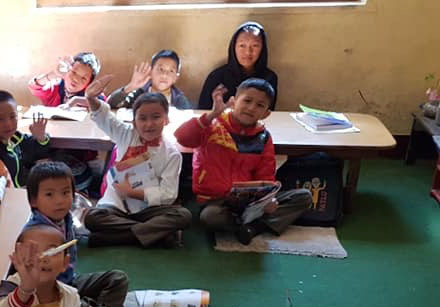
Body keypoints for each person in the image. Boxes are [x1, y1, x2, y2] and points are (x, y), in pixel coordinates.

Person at [175, 79, 311, 244]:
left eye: (260, 105)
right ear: (233, 102)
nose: (251, 108)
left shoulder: (263, 138)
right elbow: (182, 137)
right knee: (210, 217)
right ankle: (252, 225)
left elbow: (266, 175)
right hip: (216, 201)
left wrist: (267, 200)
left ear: (266, 113)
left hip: (250, 202)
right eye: (247, 101)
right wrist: (211, 115)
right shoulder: (213, 125)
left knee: (303, 197)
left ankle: (252, 227)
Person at [83, 76, 191, 248]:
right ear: (134, 122)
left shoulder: (172, 154)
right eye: (142, 118)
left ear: (166, 120)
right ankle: (154, 236)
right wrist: (91, 98)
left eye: (156, 117)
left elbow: (169, 194)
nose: (149, 124)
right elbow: (104, 118)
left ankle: (116, 238)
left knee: (183, 215)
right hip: (116, 206)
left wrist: (135, 193)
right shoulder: (125, 134)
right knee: (92, 218)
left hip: (148, 210)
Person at [24, 162, 128, 307]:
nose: (59, 200)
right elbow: (36, 284)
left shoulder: (66, 219)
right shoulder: (34, 234)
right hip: (51, 293)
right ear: (33, 200)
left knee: (118, 279)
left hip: (71, 281)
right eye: (49, 194)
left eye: (65, 193)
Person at [197, 21, 278, 110]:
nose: (248, 52)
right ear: (233, 47)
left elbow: (268, 112)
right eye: (242, 45)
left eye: (255, 46)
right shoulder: (217, 77)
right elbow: (202, 112)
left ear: (263, 48)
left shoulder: (269, 78)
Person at [0, 90, 52, 188]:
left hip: (23, 190)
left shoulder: (17, 138)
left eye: (13, 116)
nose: (8, 124)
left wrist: (41, 137)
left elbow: (37, 151)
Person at [107, 50, 192, 110]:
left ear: (175, 78)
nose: (164, 75)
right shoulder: (138, 94)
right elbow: (111, 104)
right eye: (160, 69)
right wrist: (131, 87)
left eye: (171, 71)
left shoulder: (179, 99)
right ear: (151, 72)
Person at [28, 52, 105, 108]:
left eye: (83, 78)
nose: (76, 79)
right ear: (68, 69)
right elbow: (34, 87)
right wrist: (54, 74)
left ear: (89, 83)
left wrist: (77, 100)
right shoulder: (55, 87)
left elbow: (102, 103)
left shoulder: (90, 94)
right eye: (74, 72)